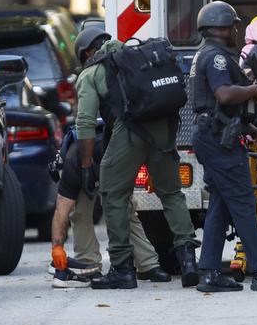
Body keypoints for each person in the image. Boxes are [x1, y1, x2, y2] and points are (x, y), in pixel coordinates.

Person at [70, 29, 199, 290]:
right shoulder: (139, 56)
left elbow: (84, 123)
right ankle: (188, 263)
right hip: (163, 129)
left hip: (130, 132)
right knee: (172, 193)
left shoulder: (91, 73)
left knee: (113, 194)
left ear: (86, 53)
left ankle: (121, 268)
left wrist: (86, 165)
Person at [49, 28, 172, 288]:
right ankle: (137, 264)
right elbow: (62, 211)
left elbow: (62, 211)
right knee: (108, 210)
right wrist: (57, 249)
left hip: (101, 155)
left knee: (105, 210)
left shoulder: (91, 75)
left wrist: (56, 248)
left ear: (85, 54)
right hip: (107, 153)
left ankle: (103, 262)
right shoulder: (125, 67)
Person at [189, 0, 257, 292]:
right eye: (233, 26)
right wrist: (255, 90)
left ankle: (209, 272)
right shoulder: (217, 58)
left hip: (214, 134)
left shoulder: (207, 54)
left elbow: (217, 107)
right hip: (218, 140)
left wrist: (252, 131)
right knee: (244, 202)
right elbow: (223, 95)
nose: (235, 31)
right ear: (221, 27)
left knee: (221, 204)